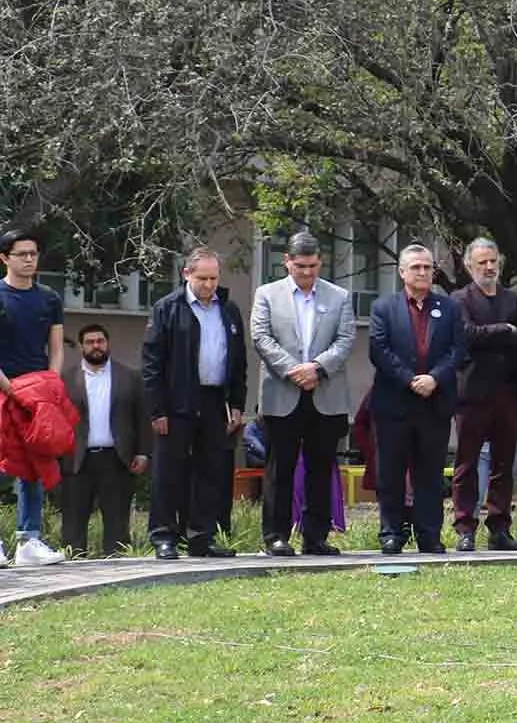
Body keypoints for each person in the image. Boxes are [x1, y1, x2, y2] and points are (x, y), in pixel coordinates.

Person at [251, 231, 357, 557]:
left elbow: (346, 339)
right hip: (282, 393)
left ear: (320, 262)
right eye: (300, 266)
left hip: (325, 394)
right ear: (286, 261)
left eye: (312, 266)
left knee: (321, 468)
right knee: (279, 468)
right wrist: (293, 370)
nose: (307, 273)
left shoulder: (338, 296)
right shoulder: (267, 294)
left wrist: (317, 368)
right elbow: (261, 336)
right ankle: (276, 537)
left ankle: (316, 537)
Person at [142, 247, 248, 560]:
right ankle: (164, 536)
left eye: (214, 278)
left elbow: (238, 361)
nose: (209, 284)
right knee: (169, 471)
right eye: (202, 278)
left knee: (211, 471)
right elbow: (152, 362)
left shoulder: (228, 310)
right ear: (186, 274)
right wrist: (156, 409)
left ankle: (202, 536)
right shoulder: (168, 308)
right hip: (177, 401)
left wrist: (237, 403)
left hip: (215, 400)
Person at [367, 244, 466, 555]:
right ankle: (391, 534)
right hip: (395, 402)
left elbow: (457, 350)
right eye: (416, 268)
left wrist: (434, 378)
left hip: (434, 403)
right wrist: (410, 379)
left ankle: (429, 535)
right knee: (391, 473)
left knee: (430, 474)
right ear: (402, 273)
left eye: (427, 267)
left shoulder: (448, 308)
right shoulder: (384, 308)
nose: (423, 272)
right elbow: (379, 351)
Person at [450, 237, 517, 552]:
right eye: (482, 262)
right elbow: (467, 335)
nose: (489, 267)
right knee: (467, 464)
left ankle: (499, 528)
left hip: (509, 392)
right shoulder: (459, 299)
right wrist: (504, 330)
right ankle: (464, 527)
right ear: (470, 265)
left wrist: (499, 334)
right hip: (472, 394)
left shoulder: (516, 299)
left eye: (493, 261)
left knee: (504, 464)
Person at [0, 228, 67, 566]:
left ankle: (29, 540)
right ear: (4, 258)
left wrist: (50, 386)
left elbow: (55, 349)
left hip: (36, 393)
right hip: (3, 387)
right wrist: (8, 387)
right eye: (21, 254)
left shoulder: (49, 298)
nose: (29, 259)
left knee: (33, 465)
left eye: (33, 253)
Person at [59, 324, 148, 558]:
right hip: (78, 460)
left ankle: (116, 571)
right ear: (81, 347)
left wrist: (142, 452)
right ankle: (73, 567)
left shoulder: (129, 376)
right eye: (90, 342)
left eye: (100, 341)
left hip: (117, 459)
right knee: (73, 522)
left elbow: (141, 417)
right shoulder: (65, 379)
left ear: (108, 344)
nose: (96, 346)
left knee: (117, 522)